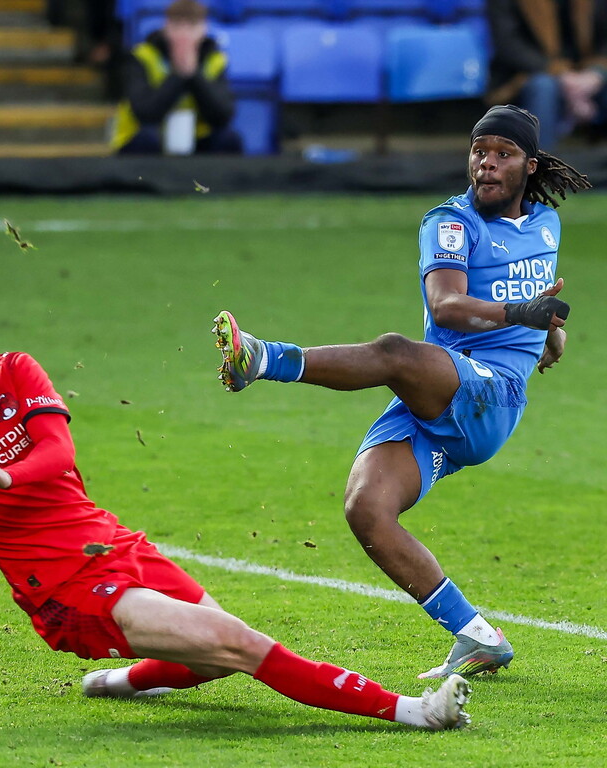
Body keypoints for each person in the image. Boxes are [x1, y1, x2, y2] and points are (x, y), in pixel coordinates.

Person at [0, 284, 471, 731]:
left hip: (114, 545)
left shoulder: (16, 373)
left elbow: (57, 454)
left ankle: (121, 682)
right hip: (64, 590)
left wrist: (4, 473)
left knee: (210, 659)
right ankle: (414, 711)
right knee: (236, 642)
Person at [212, 104, 591, 681]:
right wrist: (528, 314)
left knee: (393, 352)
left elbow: (536, 309)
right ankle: (476, 635)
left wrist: (550, 332)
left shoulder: (546, 226)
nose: (486, 164)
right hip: (439, 388)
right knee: (367, 508)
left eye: (502, 154)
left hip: (493, 398)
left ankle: (261, 358)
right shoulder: (449, 222)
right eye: (478, 151)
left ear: (529, 165)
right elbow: (447, 306)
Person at [111, 0, 241, 155]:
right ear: (166, 27)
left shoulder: (215, 60)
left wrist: (194, 75)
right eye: (177, 26)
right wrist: (178, 75)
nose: (184, 34)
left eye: (192, 26)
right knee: (147, 138)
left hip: (196, 139)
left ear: (204, 28)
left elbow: (223, 115)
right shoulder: (142, 56)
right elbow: (144, 113)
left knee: (228, 139)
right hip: (150, 138)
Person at [486, 0, 607, 149]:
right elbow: (508, 45)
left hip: (587, 74)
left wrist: (596, 74)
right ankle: (541, 164)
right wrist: (562, 76)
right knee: (544, 87)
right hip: (524, 75)